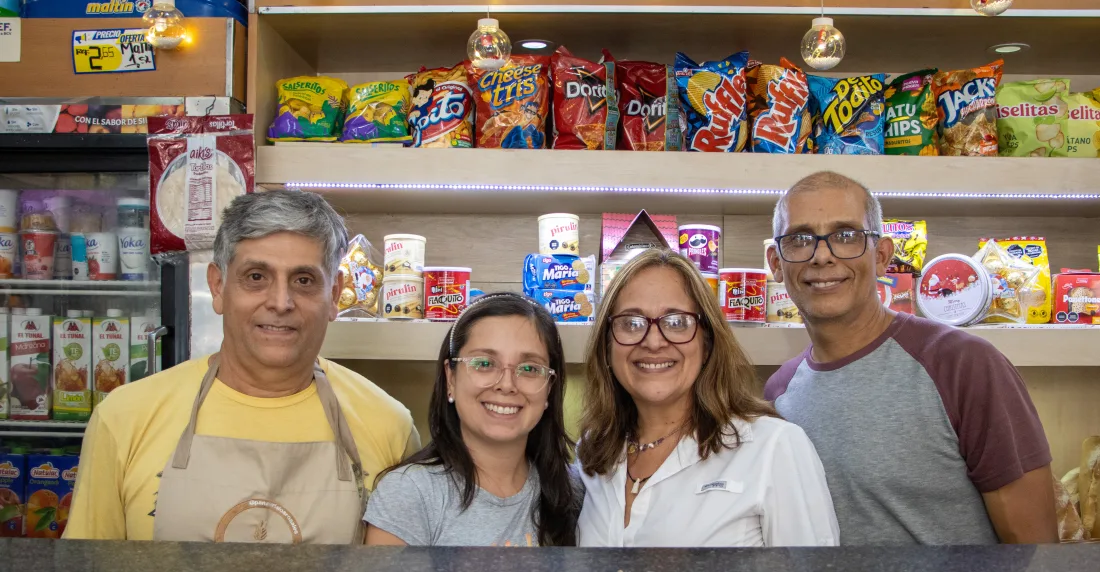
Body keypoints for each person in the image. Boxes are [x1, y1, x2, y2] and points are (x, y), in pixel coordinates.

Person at [65, 190, 419, 543]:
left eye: (304, 280)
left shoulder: (388, 426)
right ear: (218, 287)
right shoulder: (124, 418)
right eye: (255, 277)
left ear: (333, 295)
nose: (281, 302)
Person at [764, 171, 1058, 545]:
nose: (822, 255)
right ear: (776, 262)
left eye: (846, 236)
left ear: (883, 256)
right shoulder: (778, 393)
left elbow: (1036, 550)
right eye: (800, 239)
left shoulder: (964, 367)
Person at [576, 249, 839, 547]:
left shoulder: (775, 447)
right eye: (631, 322)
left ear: (708, 342)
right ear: (607, 345)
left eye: (677, 322)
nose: (652, 341)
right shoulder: (593, 452)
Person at [364, 292, 581, 546]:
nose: (507, 384)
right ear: (451, 378)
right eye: (484, 363)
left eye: (530, 368)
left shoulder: (572, 491)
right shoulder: (409, 494)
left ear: (550, 388)